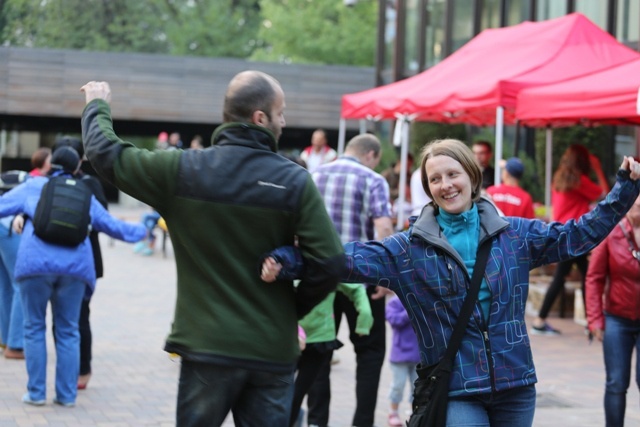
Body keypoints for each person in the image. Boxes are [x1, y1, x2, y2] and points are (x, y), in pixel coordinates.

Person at [261, 138, 640, 427]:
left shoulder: (515, 235)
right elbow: (345, 260)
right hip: (456, 387)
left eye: (452, 174)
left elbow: (580, 234)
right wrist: (288, 260)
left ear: (472, 176)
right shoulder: (408, 250)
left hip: (516, 384)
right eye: (435, 179)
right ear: (428, 189)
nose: (446, 184)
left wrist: (625, 187)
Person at [80, 74, 345, 426]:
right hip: (271, 350)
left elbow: (106, 154)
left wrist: (96, 106)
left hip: (206, 349)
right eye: (280, 113)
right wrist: (290, 309)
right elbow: (331, 263)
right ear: (260, 118)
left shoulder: (182, 170)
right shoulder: (294, 181)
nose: (284, 121)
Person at [0, 146, 145, 407]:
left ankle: (36, 393)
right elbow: (113, 227)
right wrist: (142, 230)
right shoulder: (84, 193)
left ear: (51, 165)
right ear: (76, 167)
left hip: (35, 266)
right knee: (68, 331)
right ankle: (66, 396)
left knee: (34, 328)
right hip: (76, 270)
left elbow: (2, 207)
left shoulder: (33, 187)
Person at [305, 133, 394, 427]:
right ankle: (362, 422)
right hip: (362, 280)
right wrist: (386, 273)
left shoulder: (314, 175)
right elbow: (383, 225)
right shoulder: (373, 179)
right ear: (371, 154)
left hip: (320, 280)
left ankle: (318, 421)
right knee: (369, 353)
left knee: (318, 352)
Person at [50, 135, 110, 390]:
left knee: (78, 316)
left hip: (82, 260)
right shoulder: (48, 184)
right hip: (52, 259)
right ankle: (72, 367)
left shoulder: (89, 184)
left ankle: (82, 369)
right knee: (62, 318)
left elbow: (102, 218)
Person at [531, 144, 609, 335]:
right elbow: (605, 194)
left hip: (562, 233)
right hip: (576, 235)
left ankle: (590, 322)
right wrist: (598, 168)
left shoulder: (559, 178)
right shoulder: (579, 180)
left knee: (585, 275)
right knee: (581, 277)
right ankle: (541, 320)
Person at [585, 193, 640, 427]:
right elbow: (594, 278)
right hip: (617, 317)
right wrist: (595, 319)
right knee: (616, 382)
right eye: (635, 203)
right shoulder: (612, 233)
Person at [385, 295, 420, 427]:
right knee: (397, 386)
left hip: (418, 355)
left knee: (416, 387)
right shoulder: (394, 302)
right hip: (399, 355)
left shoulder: (418, 300)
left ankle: (414, 412)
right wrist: (409, 311)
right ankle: (393, 412)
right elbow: (394, 320)